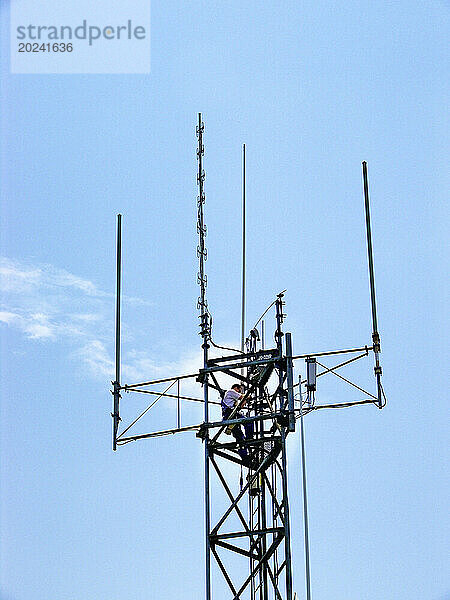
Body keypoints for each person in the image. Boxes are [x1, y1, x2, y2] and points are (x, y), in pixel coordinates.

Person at [221, 384, 253, 462]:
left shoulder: (232, 399)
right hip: (231, 414)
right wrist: (248, 395)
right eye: (239, 390)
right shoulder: (230, 391)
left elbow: (241, 405)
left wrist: (246, 398)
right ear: (236, 388)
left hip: (230, 416)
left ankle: (245, 457)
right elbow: (242, 397)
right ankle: (249, 438)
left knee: (240, 438)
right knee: (249, 422)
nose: (239, 392)